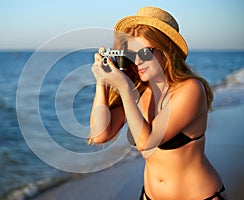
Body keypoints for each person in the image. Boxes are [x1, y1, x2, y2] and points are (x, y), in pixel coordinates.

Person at [88, 6, 227, 200]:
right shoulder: (138, 90)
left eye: (145, 53)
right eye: (132, 53)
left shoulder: (190, 89)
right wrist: (102, 82)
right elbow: (100, 134)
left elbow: (147, 142)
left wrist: (125, 88)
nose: (137, 61)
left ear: (167, 51)